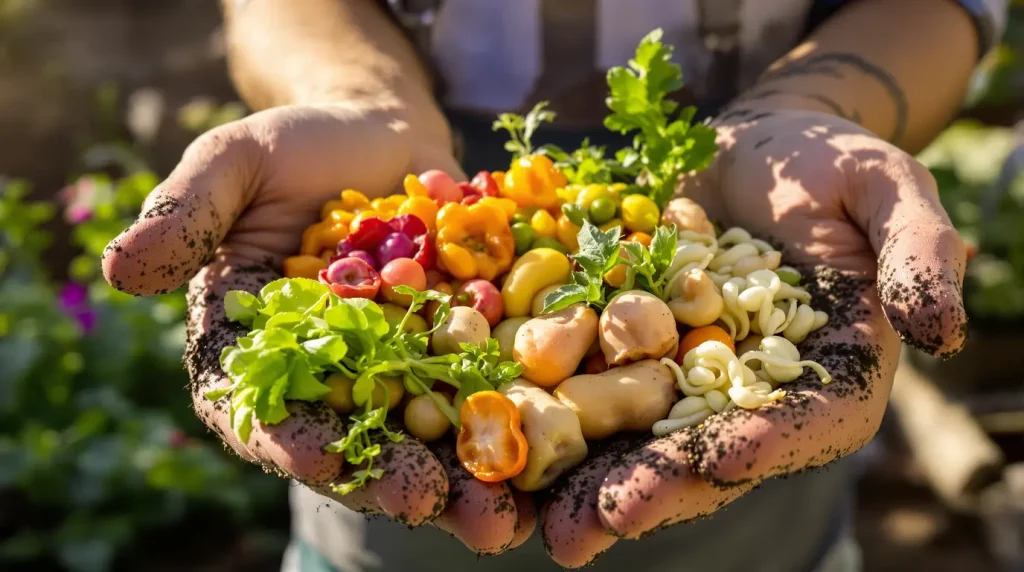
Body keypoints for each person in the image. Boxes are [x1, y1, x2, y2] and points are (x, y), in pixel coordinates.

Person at [101, 0, 1007, 570]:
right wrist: (355, 96)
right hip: (387, 529)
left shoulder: (670, 303)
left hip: (750, 215)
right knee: (392, 470)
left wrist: (813, 111)